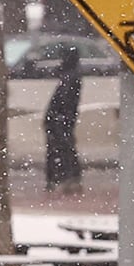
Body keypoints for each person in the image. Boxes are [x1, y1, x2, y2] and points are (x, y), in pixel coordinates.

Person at [40, 44, 85, 189]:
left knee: (61, 148)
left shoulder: (70, 77)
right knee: (62, 147)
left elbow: (64, 100)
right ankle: (64, 176)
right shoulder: (71, 76)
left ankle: (63, 177)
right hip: (61, 118)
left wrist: (60, 117)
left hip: (60, 118)